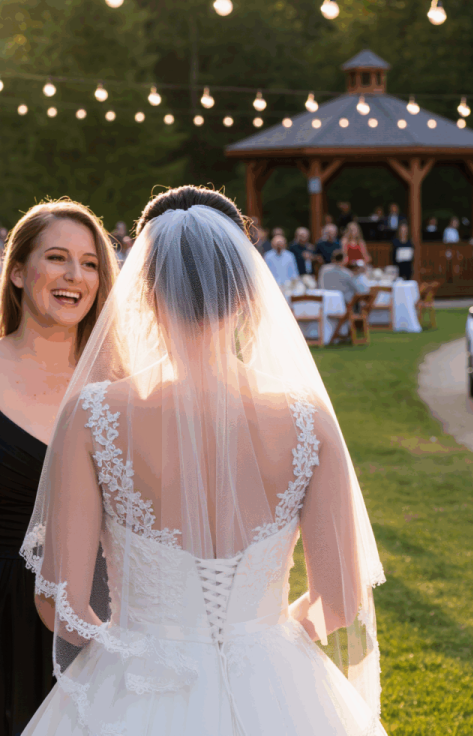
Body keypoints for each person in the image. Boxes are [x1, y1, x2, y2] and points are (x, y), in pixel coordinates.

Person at [19, 186, 387, 736]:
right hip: (279, 690)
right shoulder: (309, 419)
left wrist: (134, 656)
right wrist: (260, 643)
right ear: (247, 293)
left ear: (144, 293)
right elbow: (338, 601)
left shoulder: (93, 416)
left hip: (138, 690)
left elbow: (61, 605)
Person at [0, 200, 118, 736]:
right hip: (5, 613)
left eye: (90, 264)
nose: (75, 276)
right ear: (18, 272)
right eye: (56, 258)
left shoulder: (121, 386)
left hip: (101, 616)